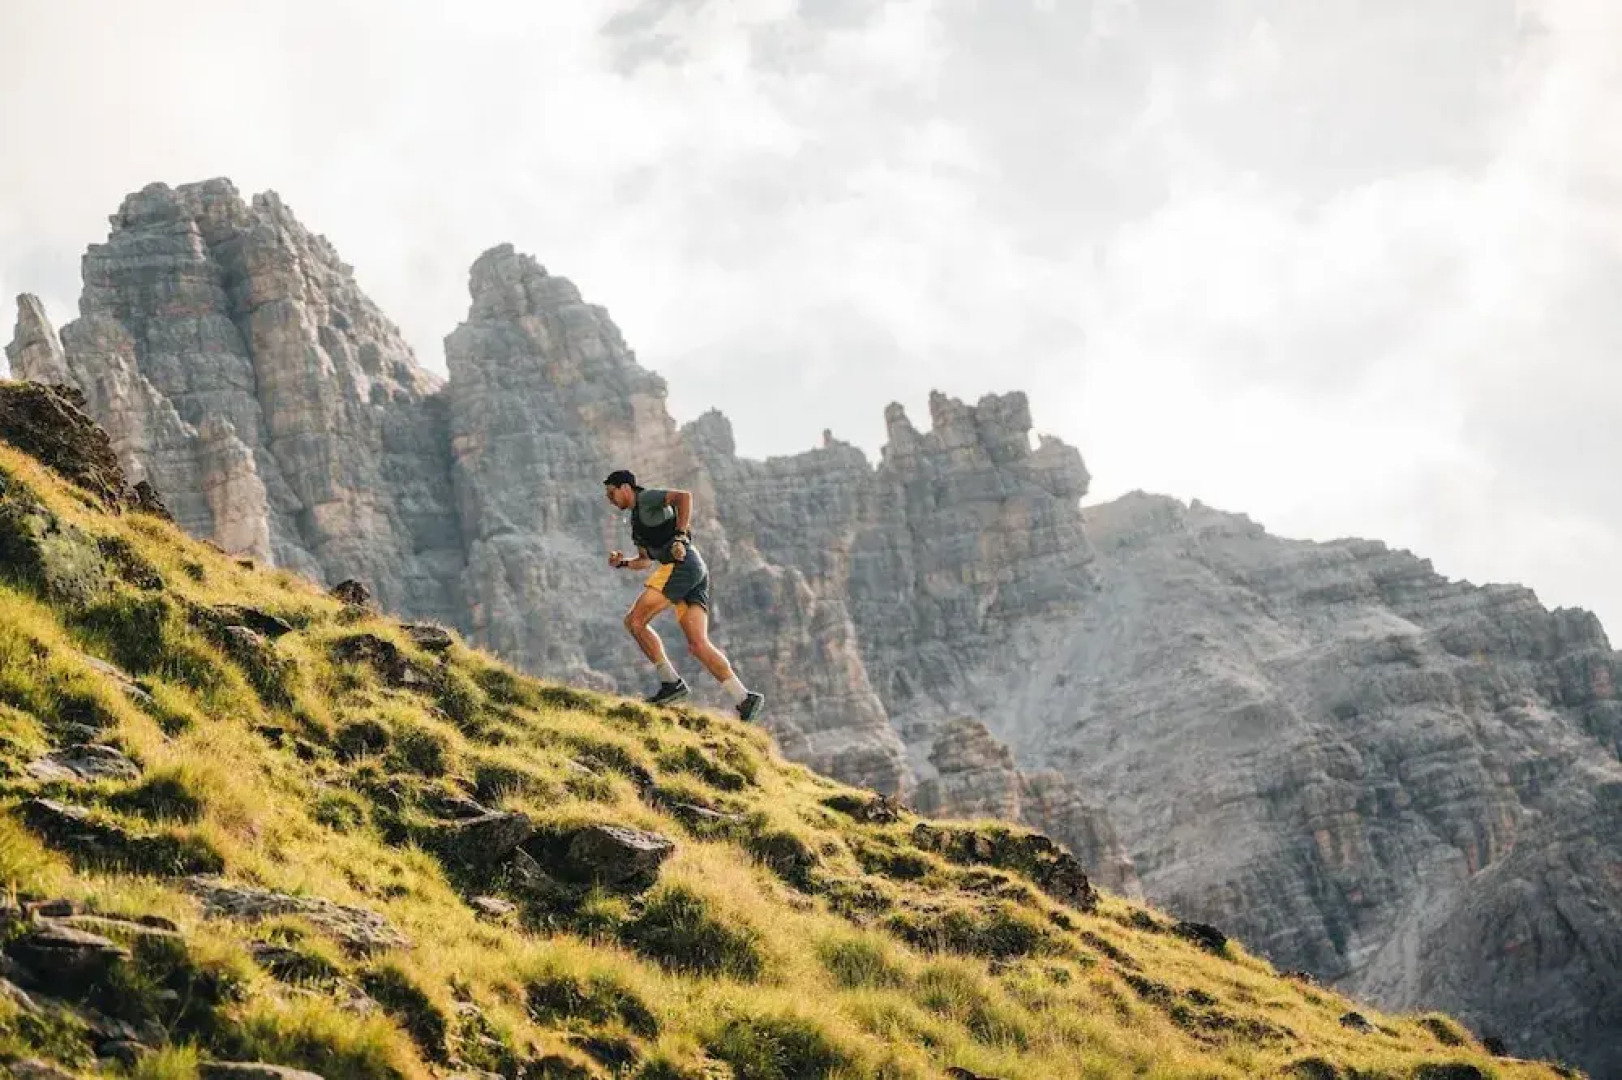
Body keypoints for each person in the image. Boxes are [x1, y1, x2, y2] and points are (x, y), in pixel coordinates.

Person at [603, 469, 765, 721]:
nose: (610, 499)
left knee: (634, 621)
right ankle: (744, 697)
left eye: (612, 493)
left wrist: (679, 536)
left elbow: (683, 497)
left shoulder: (647, 499)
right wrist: (622, 563)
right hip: (695, 569)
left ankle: (671, 683)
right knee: (698, 645)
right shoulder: (636, 521)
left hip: (681, 566)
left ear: (626, 487)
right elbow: (645, 561)